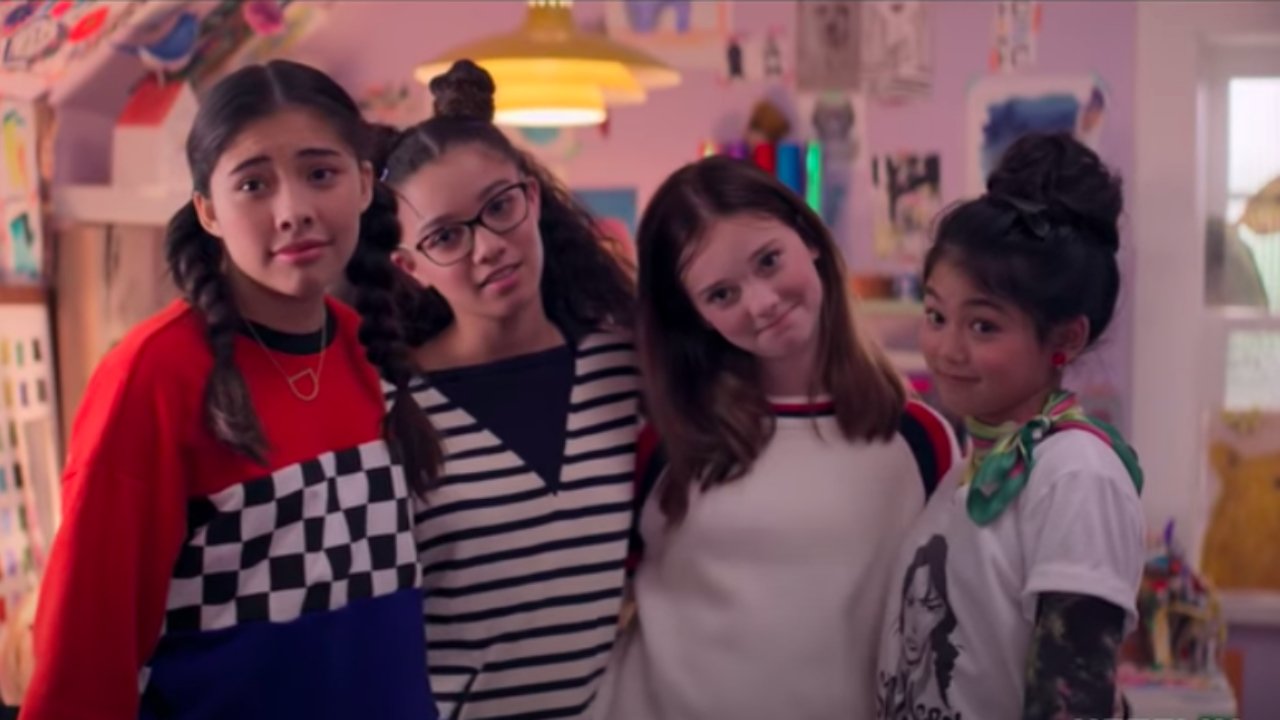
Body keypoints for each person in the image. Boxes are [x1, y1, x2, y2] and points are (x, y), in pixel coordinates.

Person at [21, 61, 435, 720]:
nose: (294, 211)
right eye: (252, 184)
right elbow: (85, 654)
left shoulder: (372, 349)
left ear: (363, 183)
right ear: (209, 212)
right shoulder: (155, 374)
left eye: (320, 174)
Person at [600, 155, 957, 720]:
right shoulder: (660, 441)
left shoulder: (918, 438)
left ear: (808, 238)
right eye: (721, 294)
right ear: (695, 316)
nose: (761, 303)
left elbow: (947, 627)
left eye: (769, 261)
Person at [343, 60, 640, 719]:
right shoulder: (386, 409)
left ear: (531, 197)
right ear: (409, 266)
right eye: (446, 236)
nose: (489, 247)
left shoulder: (624, 367)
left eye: (500, 206)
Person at [874, 132, 1146, 720]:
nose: (946, 349)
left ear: (1065, 337)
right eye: (936, 314)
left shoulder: (1076, 475)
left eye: (983, 326)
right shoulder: (972, 469)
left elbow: (1072, 706)